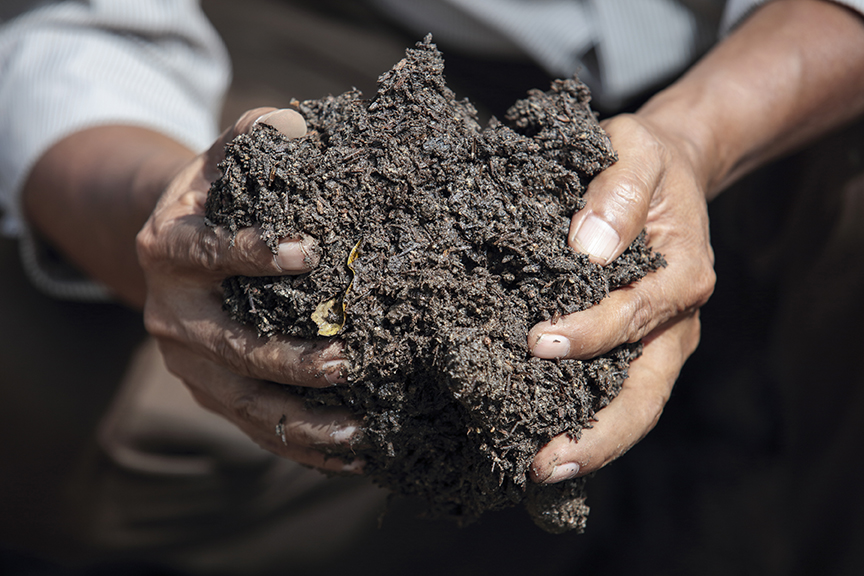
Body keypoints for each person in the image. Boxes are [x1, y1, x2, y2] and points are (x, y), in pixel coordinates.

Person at [2, 0, 864, 573]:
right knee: (72, 399)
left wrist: (698, 136)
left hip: (761, 67)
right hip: (341, 35)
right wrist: (171, 222)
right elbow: (70, 33)